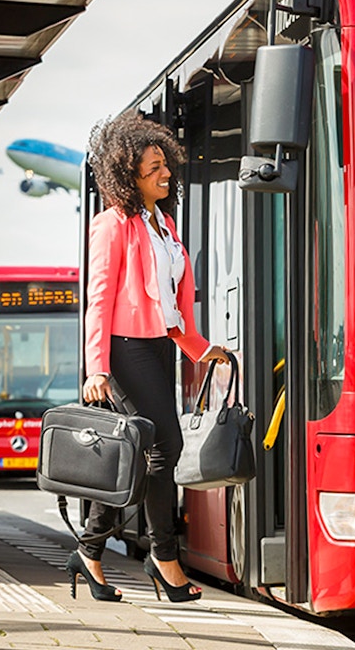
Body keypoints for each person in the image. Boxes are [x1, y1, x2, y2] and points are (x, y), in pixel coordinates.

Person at [77, 110, 230, 604]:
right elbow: (99, 298)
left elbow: (170, 303)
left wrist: (201, 349)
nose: (166, 173)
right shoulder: (111, 225)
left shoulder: (164, 224)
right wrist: (97, 367)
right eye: (154, 167)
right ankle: (164, 558)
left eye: (166, 164)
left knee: (139, 453)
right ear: (130, 176)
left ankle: (89, 550)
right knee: (166, 445)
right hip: (124, 349)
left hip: (159, 347)